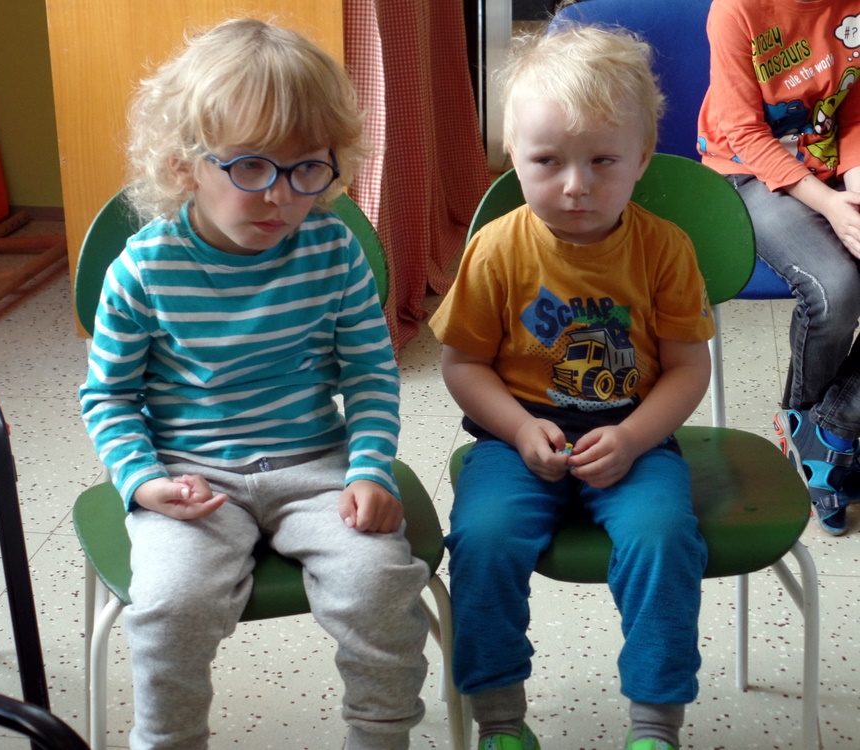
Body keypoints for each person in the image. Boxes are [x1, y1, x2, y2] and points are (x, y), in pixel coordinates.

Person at [79, 19, 430, 750]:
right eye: (250, 168)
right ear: (184, 165)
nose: (281, 196)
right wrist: (143, 482)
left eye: (307, 169)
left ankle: (380, 736)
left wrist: (369, 468)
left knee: (379, 587)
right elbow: (108, 397)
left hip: (317, 468)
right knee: (171, 604)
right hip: (192, 478)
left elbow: (369, 373)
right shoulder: (143, 270)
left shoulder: (332, 249)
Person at [429, 24, 715, 750]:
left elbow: (688, 367)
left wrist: (634, 437)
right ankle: (500, 721)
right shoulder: (495, 249)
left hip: (635, 435)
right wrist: (519, 428)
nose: (576, 185)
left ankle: (655, 726)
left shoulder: (664, 249)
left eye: (602, 160)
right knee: (483, 540)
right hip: (513, 437)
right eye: (547, 160)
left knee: (663, 538)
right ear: (512, 156)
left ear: (642, 158)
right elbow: (462, 364)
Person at [698, 0, 860, 535]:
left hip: (831, 167)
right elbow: (744, 135)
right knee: (835, 290)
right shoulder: (736, 11)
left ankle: (826, 432)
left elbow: (855, 110)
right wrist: (832, 206)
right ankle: (812, 434)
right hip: (747, 170)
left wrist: (856, 191)